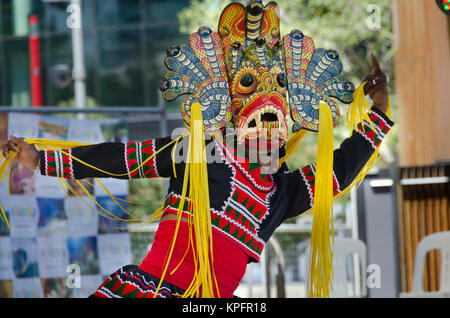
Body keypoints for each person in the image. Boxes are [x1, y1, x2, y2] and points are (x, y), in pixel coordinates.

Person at [1, 0, 393, 298]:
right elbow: (123, 159)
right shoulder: (200, 151)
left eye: (277, 113)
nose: (269, 125)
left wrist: (379, 111)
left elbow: (337, 173)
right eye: (256, 105)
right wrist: (43, 159)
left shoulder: (282, 193)